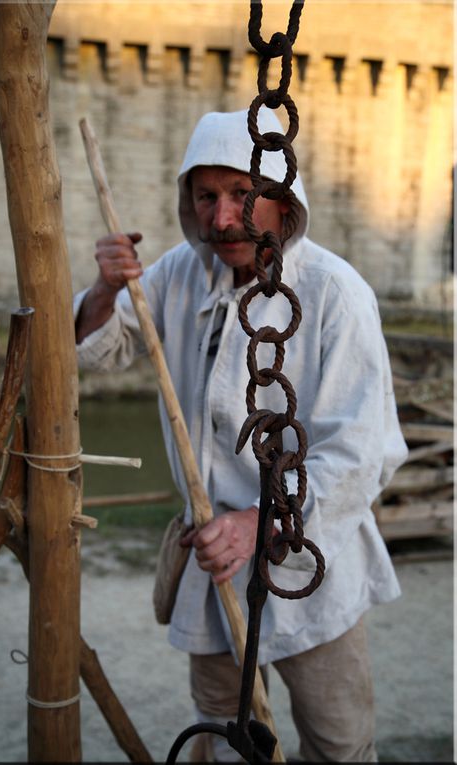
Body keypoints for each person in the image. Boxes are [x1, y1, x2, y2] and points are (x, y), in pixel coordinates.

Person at [75, 108, 407, 762]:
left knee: (338, 744)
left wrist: (262, 519)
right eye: (207, 196)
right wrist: (105, 290)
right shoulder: (178, 272)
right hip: (213, 565)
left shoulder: (337, 293)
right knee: (229, 744)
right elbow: (99, 353)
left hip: (310, 562)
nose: (222, 218)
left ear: (284, 204)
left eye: (243, 195)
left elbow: (363, 451)